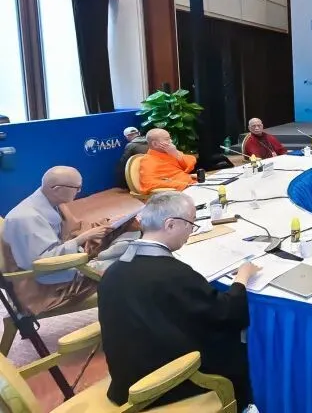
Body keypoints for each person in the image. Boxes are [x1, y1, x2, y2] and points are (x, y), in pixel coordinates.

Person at [98, 192, 260, 412]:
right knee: (235, 343)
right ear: (171, 224)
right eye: (190, 224)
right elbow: (226, 313)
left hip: (125, 379)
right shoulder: (175, 274)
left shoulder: (114, 269)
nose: (191, 231)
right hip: (164, 384)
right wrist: (242, 277)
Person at [1, 166, 108, 314]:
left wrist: (104, 225)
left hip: (57, 266)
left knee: (119, 234)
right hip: (42, 288)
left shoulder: (53, 204)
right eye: (76, 188)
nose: (79, 191)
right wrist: (82, 238)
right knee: (119, 271)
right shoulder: (26, 218)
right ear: (56, 189)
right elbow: (42, 262)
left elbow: (74, 228)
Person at [138, 129, 197, 195]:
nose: (171, 141)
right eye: (167, 139)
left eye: (170, 138)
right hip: (180, 191)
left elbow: (190, 163)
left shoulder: (170, 152)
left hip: (192, 183)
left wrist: (176, 155)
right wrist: (184, 185)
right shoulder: (148, 161)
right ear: (155, 144)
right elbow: (148, 183)